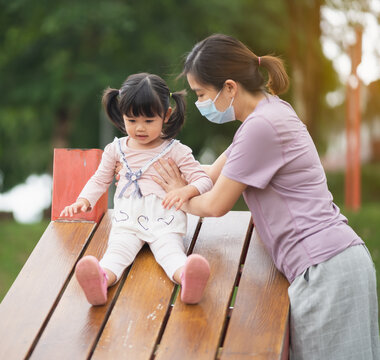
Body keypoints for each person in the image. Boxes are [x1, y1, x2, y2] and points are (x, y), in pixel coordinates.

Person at [152, 34, 380, 359]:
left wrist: (177, 195)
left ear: (229, 87)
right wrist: (155, 172)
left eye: (202, 94)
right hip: (330, 265)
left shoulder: (262, 127)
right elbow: (209, 173)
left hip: (325, 270)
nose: (201, 103)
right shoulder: (265, 117)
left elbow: (215, 204)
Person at [60, 73, 212, 306]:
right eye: (132, 121)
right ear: (122, 115)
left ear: (166, 115)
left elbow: (203, 180)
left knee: (170, 253)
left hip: (165, 219)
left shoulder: (176, 150)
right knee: (116, 253)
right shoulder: (116, 149)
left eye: (149, 121)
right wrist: (84, 200)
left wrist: (185, 191)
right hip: (127, 219)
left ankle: (187, 279)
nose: (140, 128)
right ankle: (100, 280)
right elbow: (100, 179)